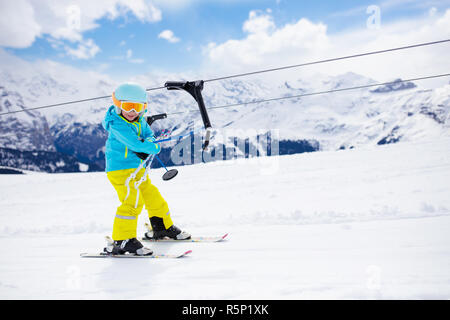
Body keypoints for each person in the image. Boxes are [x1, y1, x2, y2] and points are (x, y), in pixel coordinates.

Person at [102, 82, 190, 255]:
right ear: (118, 105)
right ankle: (122, 240)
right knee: (132, 202)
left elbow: (149, 135)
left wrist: (149, 143)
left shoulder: (140, 121)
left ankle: (161, 228)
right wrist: (151, 147)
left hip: (137, 170)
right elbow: (134, 142)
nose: (133, 111)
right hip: (120, 170)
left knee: (153, 197)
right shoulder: (117, 124)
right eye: (128, 106)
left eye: (138, 107)